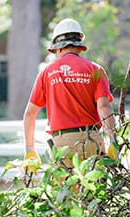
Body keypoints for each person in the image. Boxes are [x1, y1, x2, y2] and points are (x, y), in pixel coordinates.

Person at [23, 18, 117, 172]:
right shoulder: (96, 70)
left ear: (57, 49)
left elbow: (29, 114)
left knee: (67, 193)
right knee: (94, 192)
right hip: (91, 140)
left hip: (62, 144)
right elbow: (104, 107)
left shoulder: (47, 73)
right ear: (79, 47)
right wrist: (113, 141)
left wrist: (29, 150)